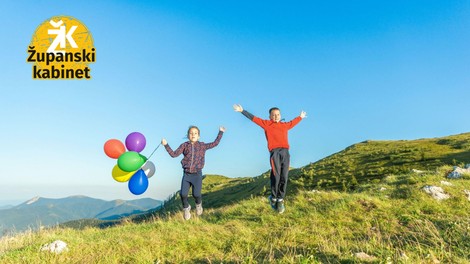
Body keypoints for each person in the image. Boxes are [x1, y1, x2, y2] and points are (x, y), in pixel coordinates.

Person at [233, 104, 306, 214]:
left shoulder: (285, 125)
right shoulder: (267, 124)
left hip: (285, 152)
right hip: (275, 152)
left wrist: (300, 117)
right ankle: (273, 198)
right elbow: (254, 119)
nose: (276, 116)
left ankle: (280, 199)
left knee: (284, 176)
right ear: (270, 116)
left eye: (278, 114)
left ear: (280, 115)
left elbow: (293, 122)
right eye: (273, 115)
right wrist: (242, 110)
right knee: (276, 176)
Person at [162, 126, 225, 220]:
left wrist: (220, 132)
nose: (193, 135)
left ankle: (198, 205)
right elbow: (174, 154)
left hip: (197, 174)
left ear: (199, 136)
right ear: (188, 135)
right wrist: (166, 145)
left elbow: (215, 143)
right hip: (187, 174)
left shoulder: (202, 146)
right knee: (183, 194)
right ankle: (186, 208)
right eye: (191, 133)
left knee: (196, 194)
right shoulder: (184, 145)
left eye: (195, 133)